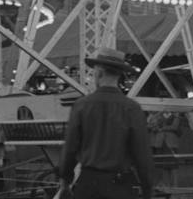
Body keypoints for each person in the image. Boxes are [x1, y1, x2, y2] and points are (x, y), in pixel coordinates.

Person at [59, 47, 154, 199]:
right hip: (120, 185)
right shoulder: (132, 108)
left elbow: (70, 148)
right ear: (119, 75)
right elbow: (142, 153)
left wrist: (65, 180)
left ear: (99, 73)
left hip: (88, 184)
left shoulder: (82, 105)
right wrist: (147, 188)